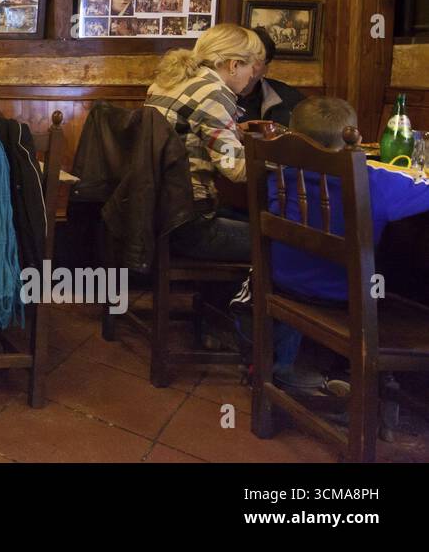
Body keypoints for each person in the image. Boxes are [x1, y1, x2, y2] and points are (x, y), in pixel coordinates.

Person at [262, 97, 429, 388]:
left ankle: (295, 367)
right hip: (344, 294)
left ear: (292, 134)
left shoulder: (277, 171)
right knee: (402, 271)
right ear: (357, 139)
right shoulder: (371, 180)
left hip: (283, 281)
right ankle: (374, 376)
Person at [145, 23, 265, 261]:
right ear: (234, 65)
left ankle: (213, 298)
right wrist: (283, 159)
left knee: (248, 221)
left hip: (155, 210)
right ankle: (235, 299)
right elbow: (237, 170)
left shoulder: (165, 83)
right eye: (253, 66)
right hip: (188, 223)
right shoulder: (213, 94)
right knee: (280, 243)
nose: (253, 75)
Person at [236, 26, 304, 126]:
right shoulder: (213, 95)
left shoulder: (288, 97)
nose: (250, 66)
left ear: (266, 66)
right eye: (243, 59)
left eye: (257, 60)